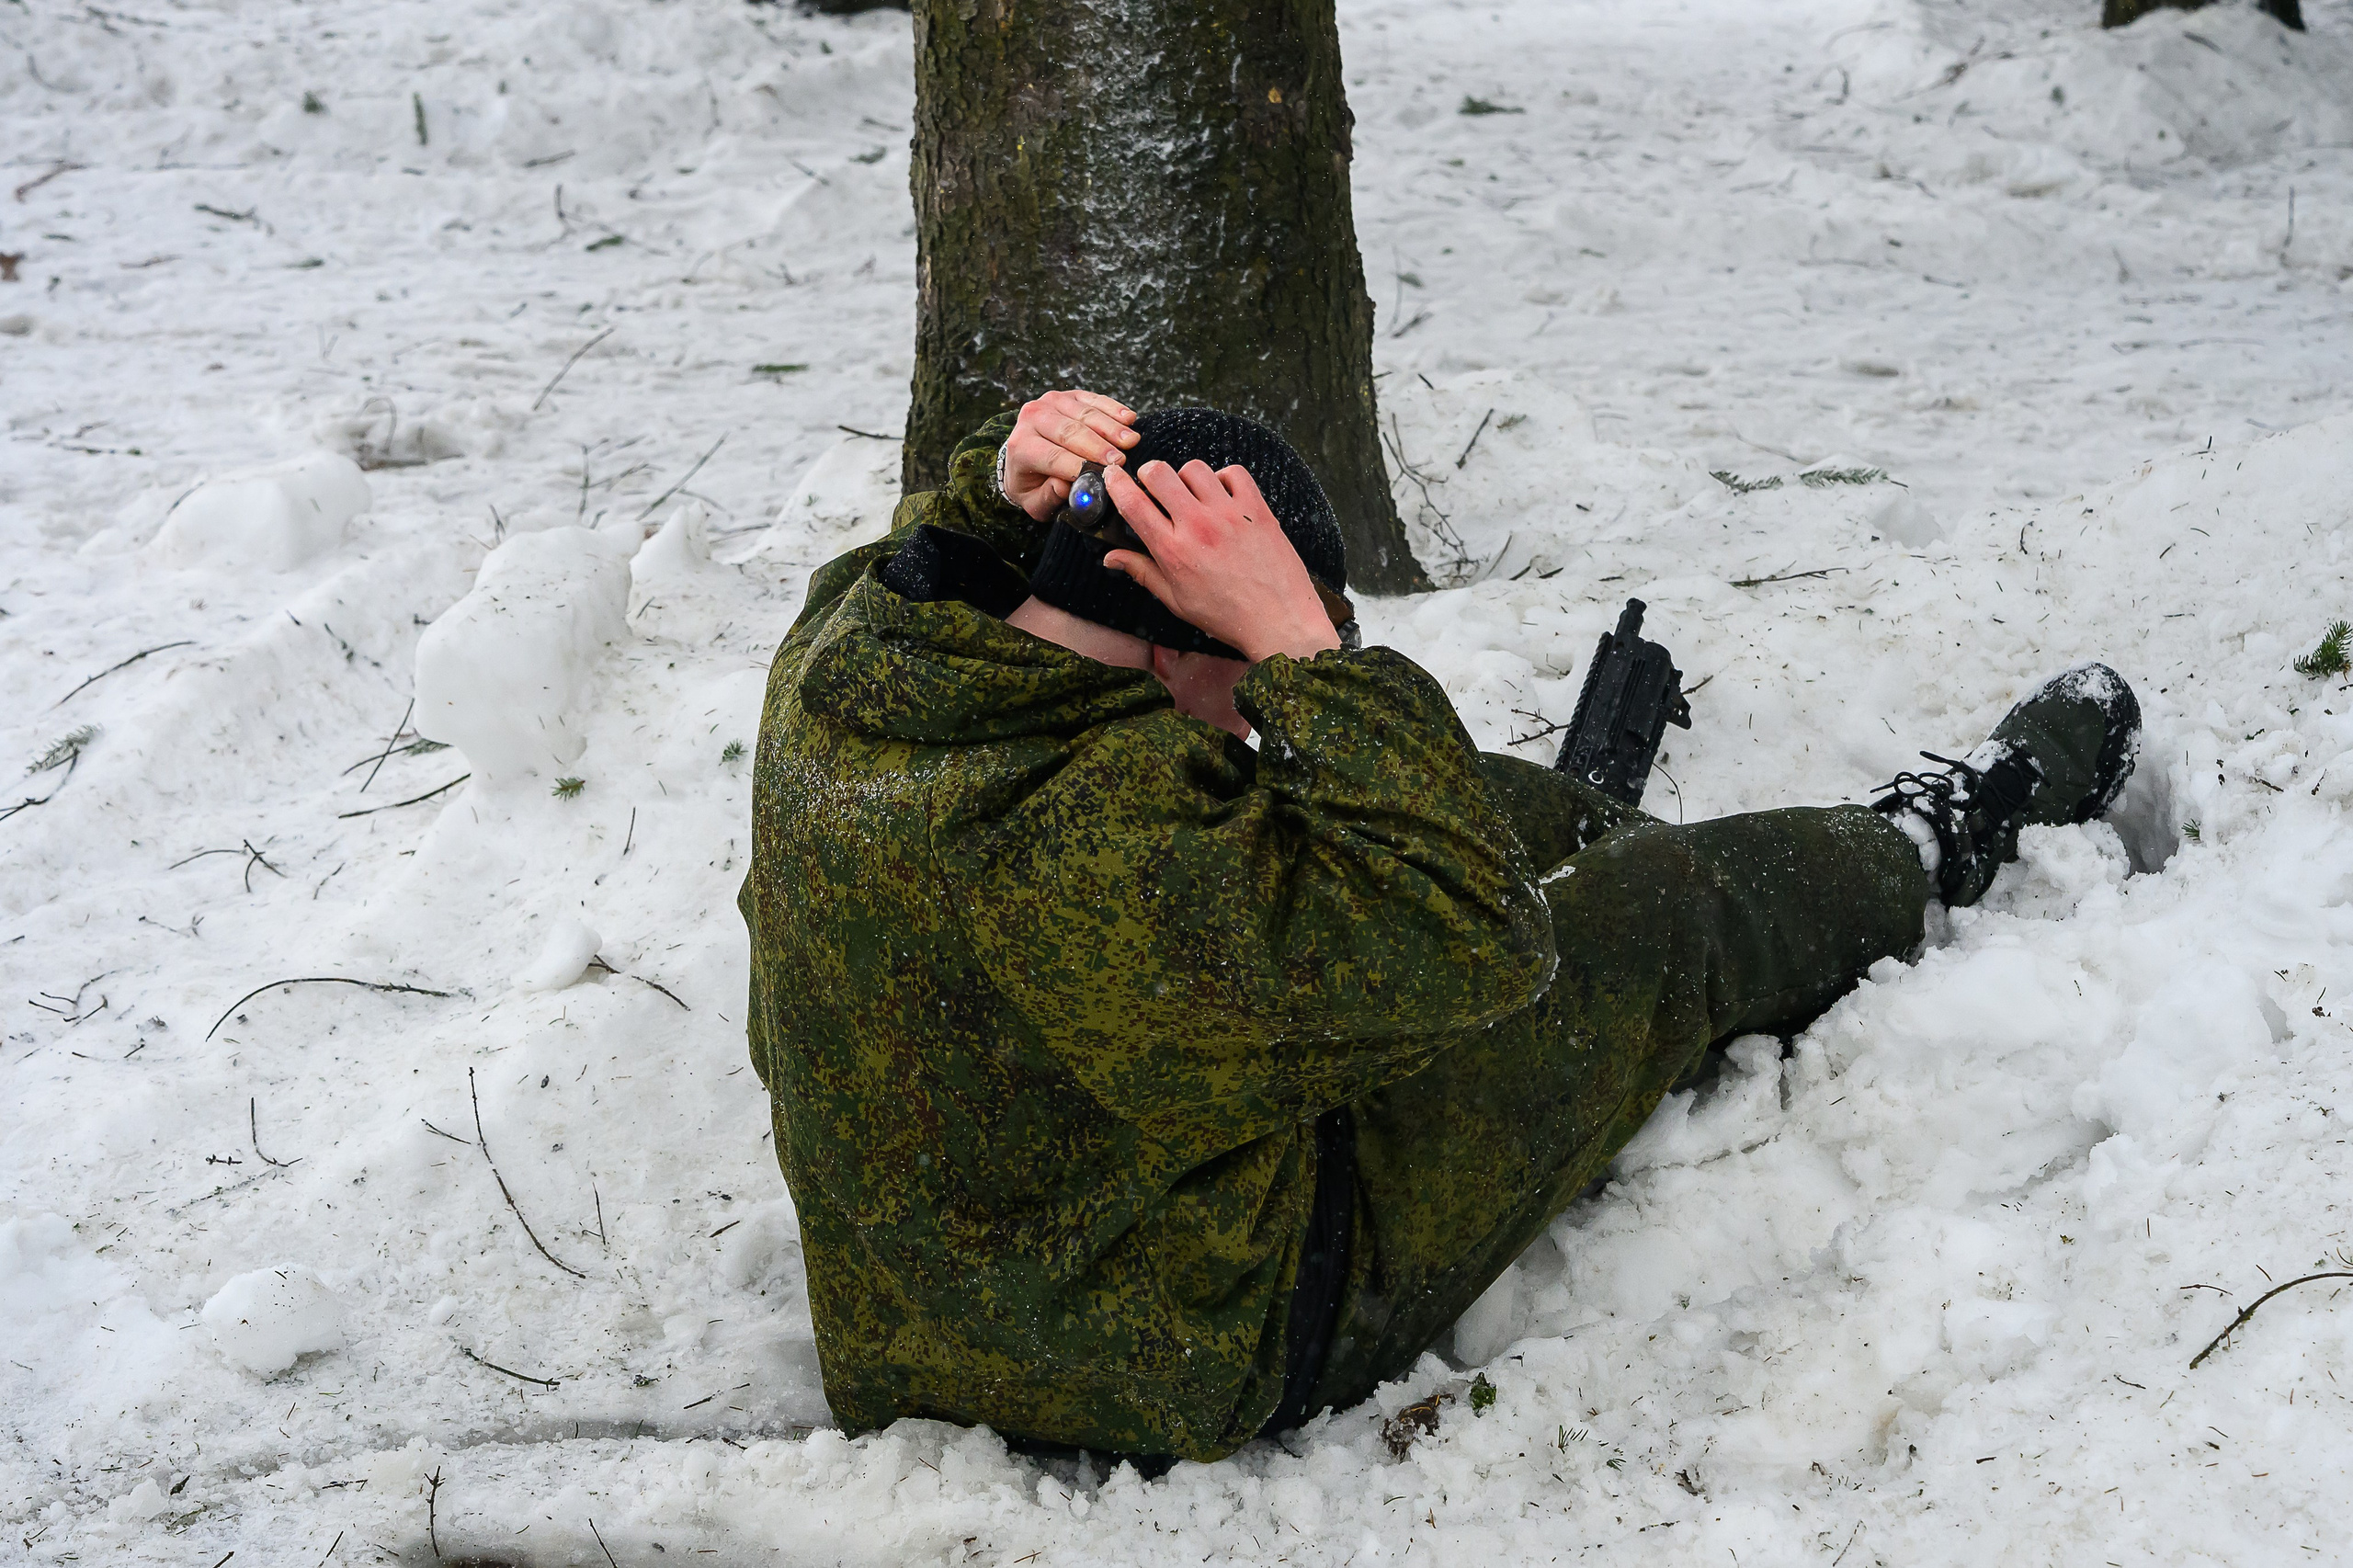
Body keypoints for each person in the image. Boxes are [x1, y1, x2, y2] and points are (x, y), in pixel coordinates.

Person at [736, 389, 2141, 1467]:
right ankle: (1938, 839)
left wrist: (1003, 476)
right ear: (1180, 638)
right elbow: (1477, 940)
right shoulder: (1128, 847)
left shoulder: (847, 662)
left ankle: (1691, 863)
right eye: (1244, 667)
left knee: (1471, 803)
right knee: (1664, 918)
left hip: (920, 1308)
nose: (1259, 709)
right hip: (1180, 1341)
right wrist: (1309, 656)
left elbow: (929, 556)